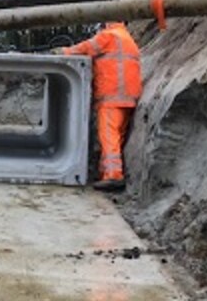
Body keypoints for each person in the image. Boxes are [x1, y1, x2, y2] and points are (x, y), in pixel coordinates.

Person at [53, 22, 142, 192]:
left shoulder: (109, 36)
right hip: (128, 97)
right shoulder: (127, 38)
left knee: (108, 136)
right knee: (116, 137)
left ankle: (113, 175)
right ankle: (106, 172)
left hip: (112, 95)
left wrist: (64, 52)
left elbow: (87, 47)